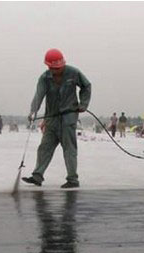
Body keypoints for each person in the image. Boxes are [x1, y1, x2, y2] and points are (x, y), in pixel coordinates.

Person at [23, 49, 91, 189]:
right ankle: (37, 176)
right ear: (48, 66)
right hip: (52, 119)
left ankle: (72, 179)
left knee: (69, 149)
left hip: (68, 117)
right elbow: (39, 95)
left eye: (58, 68)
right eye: (52, 68)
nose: (55, 70)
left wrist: (83, 104)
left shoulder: (73, 73)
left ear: (63, 64)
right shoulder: (44, 78)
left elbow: (86, 86)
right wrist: (33, 111)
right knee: (44, 147)